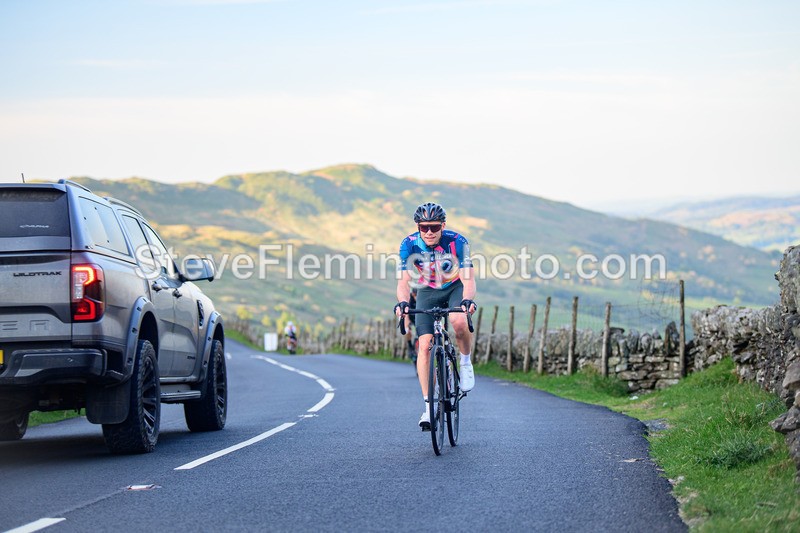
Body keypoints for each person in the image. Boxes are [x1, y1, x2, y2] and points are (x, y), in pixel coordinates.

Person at [394, 202, 477, 431]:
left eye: (434, 227)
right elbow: (403, 282)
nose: (429, 232)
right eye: (424, 227)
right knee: (424, 345)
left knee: (458, 321)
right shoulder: (408, 244)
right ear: (418, 227)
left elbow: (469, 278)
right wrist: (403, 303)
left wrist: (467, 300)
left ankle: (465, 362)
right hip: (427, 290)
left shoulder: (457, 241)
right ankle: (429, 407)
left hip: (454, 287)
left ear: (443, 226)